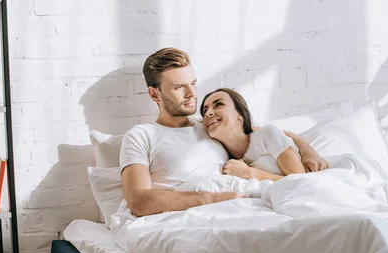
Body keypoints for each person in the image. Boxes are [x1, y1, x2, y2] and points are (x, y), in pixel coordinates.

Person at [119, 47, 328, 219]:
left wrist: (306, 148)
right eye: (179, 88)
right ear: (154, 94)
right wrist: (212, 199)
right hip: (200, 212)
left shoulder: (210, 126)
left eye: (192, 83)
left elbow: (266, 132)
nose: (192, 94)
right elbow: (138, 201)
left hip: (246, 205)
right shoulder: (141, 136)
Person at [201, 88, 305, 182]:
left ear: (240, 114)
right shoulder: (223, 161)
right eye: (205, 110)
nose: (208, 113)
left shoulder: (266, 134)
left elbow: (299, 181)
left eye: (219, 104)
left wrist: (249, 173)